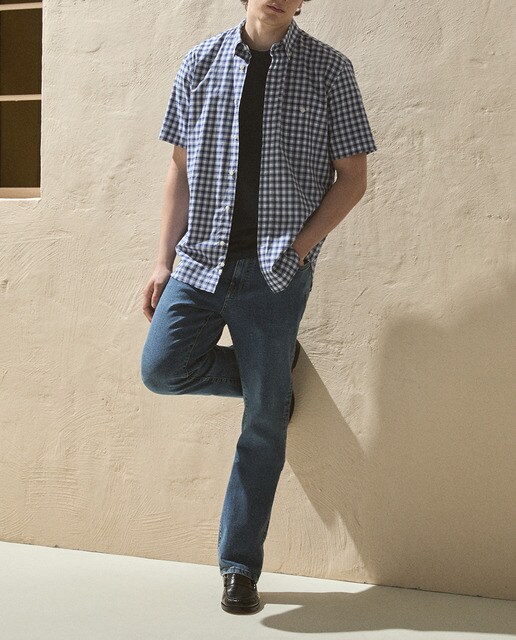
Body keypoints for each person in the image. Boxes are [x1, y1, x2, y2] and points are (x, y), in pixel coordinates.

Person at [140, 0, 377, 615]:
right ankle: (272, 379)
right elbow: (179, 168)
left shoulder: (330, 69)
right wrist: (163, 260)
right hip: (200, 261)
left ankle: (239, 566)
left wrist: (298, 249)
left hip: (275, 271)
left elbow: (353, 176)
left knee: (263, 421)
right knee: (162, 369)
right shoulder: (200, 63)